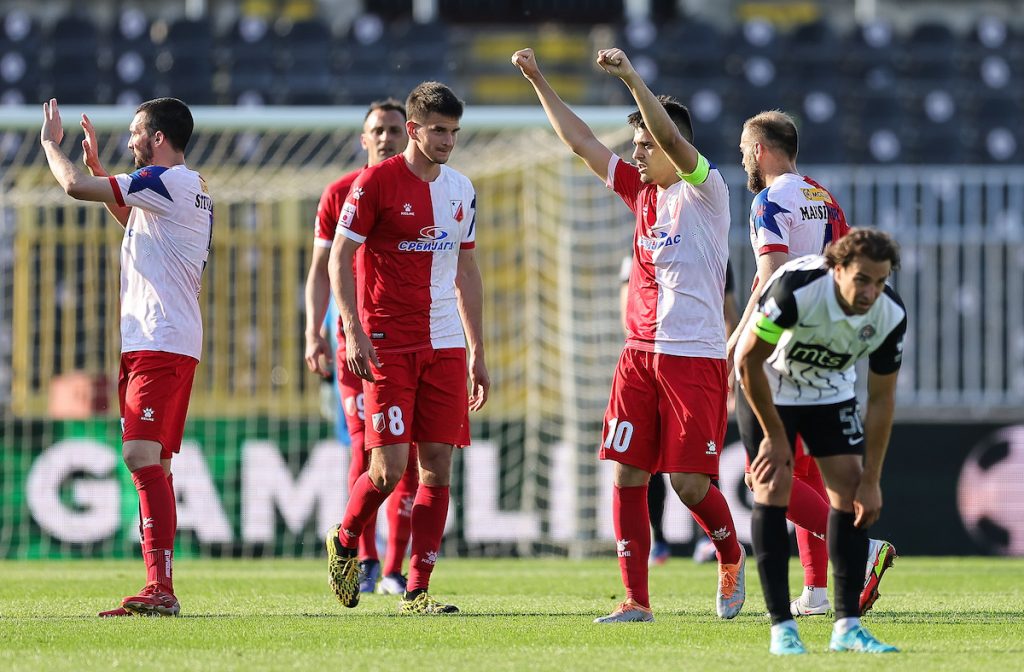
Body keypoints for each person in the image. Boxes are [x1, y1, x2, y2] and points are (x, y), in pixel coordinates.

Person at [513, 47, 746, 623]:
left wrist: (630, 78)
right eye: (636, 147)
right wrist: (539, 77)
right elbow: (582, 143)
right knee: (626, 474)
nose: (636, 155)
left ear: (671, 147)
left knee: (691, 486)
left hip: (694, 358)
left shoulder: (705, 191)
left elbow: (665, 131)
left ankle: (731, 554)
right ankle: (636, 601)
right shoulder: (638, 193)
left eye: (645, 146)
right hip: (638, 358)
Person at [40, 97, 211, 617]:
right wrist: (98, 167)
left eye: (137, 133)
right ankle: (160, 585)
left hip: (159, 341)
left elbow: (72, 188)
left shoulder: (167, 181)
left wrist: (51, 145)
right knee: (154, 460)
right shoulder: (185, 188)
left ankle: (161, 587)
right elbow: (137, 224)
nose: (130, 141)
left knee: (140, 457)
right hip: (164, 340)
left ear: (158, 137)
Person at [325, 81, 489, 615]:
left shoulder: (462, 189)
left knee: (437, 467)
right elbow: (337, 258)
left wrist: (478, 350)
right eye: (438, 131)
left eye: (454, 132)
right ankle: (346, 539)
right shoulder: (374, 183)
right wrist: (351, 328)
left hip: (445, 345)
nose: (447, 141)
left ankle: (416, 590)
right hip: (389, 343)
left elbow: (467, 268)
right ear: (413, 130)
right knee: (387, 470)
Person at [728, 110, 896, 617]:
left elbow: (771, 273)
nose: (742, 159)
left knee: (767, 474)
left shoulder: (769, 201)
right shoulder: (825, 198)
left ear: (759, 150)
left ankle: (862, 548)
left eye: (744, 150)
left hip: (781, 348)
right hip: (828, 342)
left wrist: (738, 339)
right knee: (803, 471)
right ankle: (818, 590)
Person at [737, 228, 906, 655]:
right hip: (770, 383)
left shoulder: (889, 313)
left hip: (829, 390)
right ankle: (782, 630)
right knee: (772, 485)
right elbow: (748, 360)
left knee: (850, 490)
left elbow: (882, 399)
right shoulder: (800, 289)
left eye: (881, 281)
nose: (871, 291)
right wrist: (775, 438)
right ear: (838, 269)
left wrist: (873, 478)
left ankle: (846, 627)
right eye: (862, 279)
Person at [304, 99, 419, 596]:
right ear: (363, 137)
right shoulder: (337, 194)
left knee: (408, 453)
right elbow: (318, 272)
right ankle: (366, 560)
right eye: (378, 130)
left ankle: (395, 568)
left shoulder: (425, 191)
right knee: (365, 447)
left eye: (395, 129)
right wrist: (314, 331)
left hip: (409, 335)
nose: (386, 138)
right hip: (352, 337)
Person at [622, 257, 739, 566]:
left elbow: (729, 313)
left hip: (697, 362)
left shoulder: (710, 246)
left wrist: (728, 368)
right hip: (646, 361)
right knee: (638, 464)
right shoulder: (640, 248)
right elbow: (628, 305)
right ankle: (657, 541)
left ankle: (714, 543)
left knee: (696, 469)